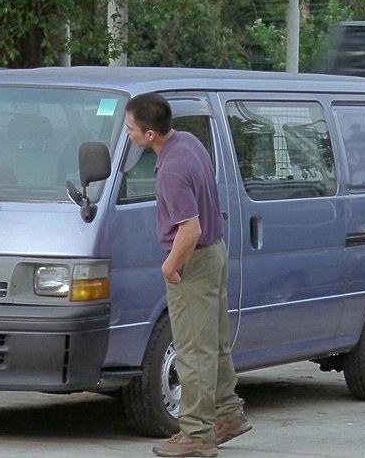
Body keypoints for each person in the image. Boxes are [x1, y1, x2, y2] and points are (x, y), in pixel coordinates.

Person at [126, 93, 251, 458]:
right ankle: (227, 414)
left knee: (193, 350)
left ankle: (196, 434)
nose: (128, 133)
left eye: (131, 128)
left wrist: (170, 266)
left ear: (150, 134)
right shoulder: (189, 142)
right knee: (214, 342)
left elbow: (190, 229)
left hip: (193, 260)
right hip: (216, 252)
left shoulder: (171, 170)